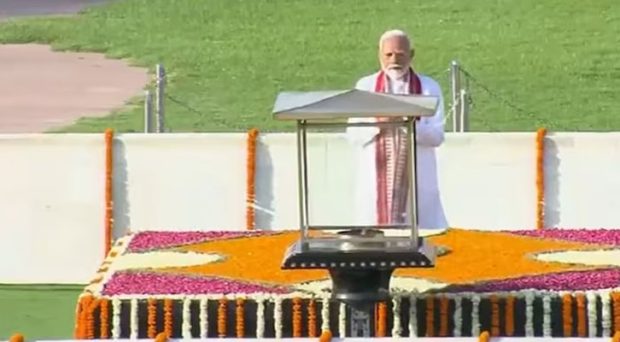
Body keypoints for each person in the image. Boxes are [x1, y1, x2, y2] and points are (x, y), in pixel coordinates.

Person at [346, 29, 448, 230]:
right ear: (379, 55)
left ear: (412, 55)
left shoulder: (429, 88)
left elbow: (437, 136)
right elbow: (353, 135)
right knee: (374, 235)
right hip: (375, 177)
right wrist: (380, 122)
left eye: (400, 54)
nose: (395, 60)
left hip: (417, 178)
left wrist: (406, 123)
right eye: (389, 54)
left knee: (422, 233)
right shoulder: (365, 86)